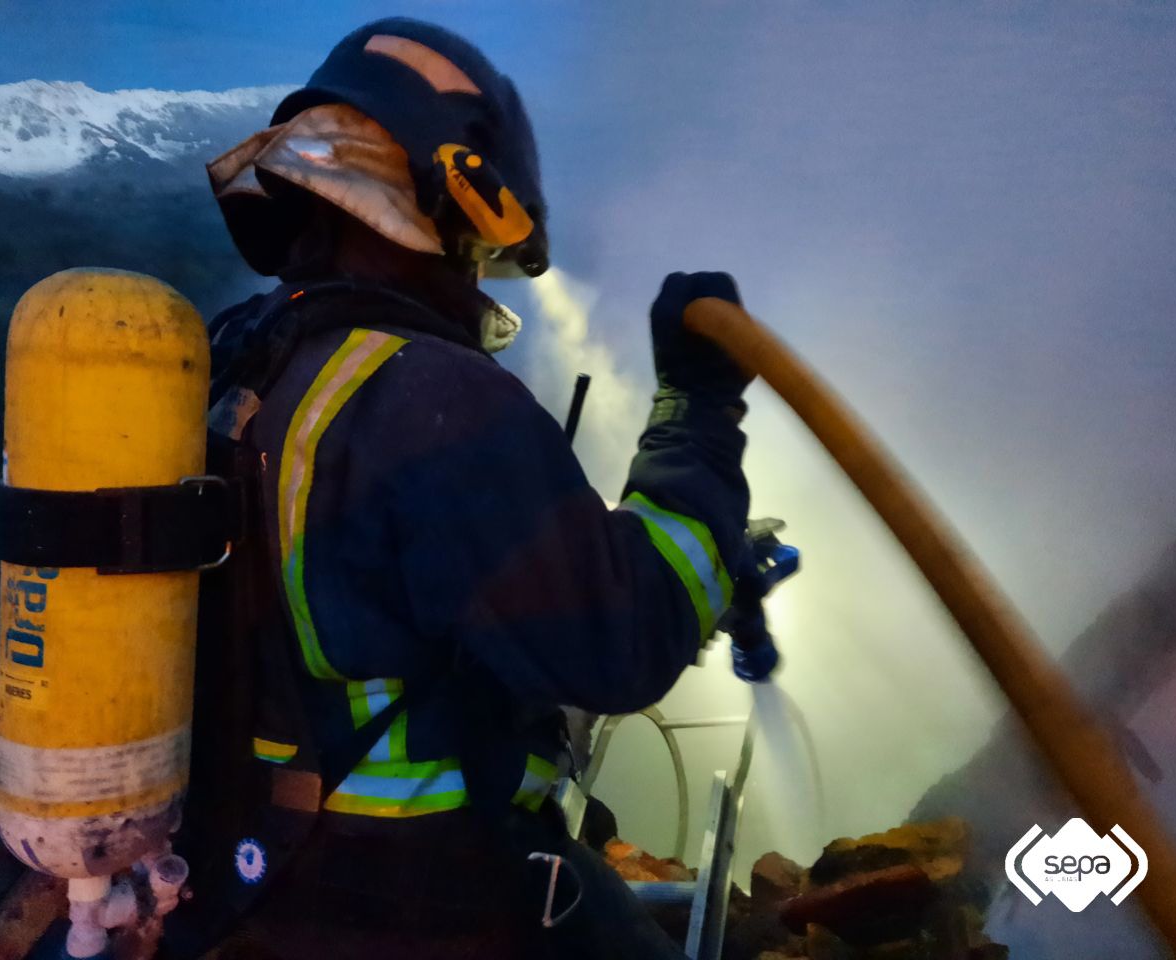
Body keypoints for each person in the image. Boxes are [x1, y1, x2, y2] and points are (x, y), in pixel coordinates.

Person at [168, 17, 752, 960]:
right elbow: (625, 640)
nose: (479, 276)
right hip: (409, 902)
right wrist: (697, 409)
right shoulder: (429, 395)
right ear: (453, 196)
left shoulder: (235, 360)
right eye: (480, 250)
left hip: (247, 877)